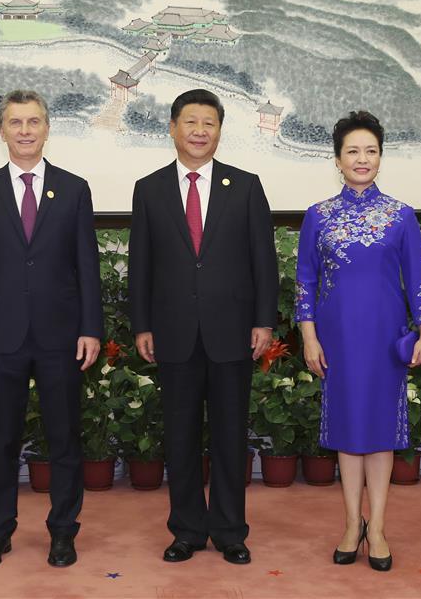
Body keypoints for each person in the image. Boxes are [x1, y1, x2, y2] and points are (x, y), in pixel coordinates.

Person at [128, 88, 278, 565]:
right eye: (190, 122)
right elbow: (141, 265)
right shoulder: (149, 189)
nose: (199, 131)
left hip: (232, 331)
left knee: (231, 437)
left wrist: (263, 321)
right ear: (172, 128)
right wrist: (142, 325)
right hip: (173, 332)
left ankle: (231, 530)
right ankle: (188, 529)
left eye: (208, 123)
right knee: (181, 435)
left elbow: (264, 263)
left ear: (219, 131)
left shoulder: (246, 186)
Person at [0, 89, 103, 569]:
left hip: (61, 335)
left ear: (46, 128)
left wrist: (90, 328)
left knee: (64, 438)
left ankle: (63, 531)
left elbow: (87, 265)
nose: (24, 130)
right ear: (1, 130)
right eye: (15, 122)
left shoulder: (74, 188)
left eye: (33, 121)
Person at [294, 110, 421, 572]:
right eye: (352, 151)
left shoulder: (401, 215)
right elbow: (305, 283)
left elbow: (417, 278)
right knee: (347, 432)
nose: (362, 159)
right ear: (337, 159)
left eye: (370, 151)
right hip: (336, 340)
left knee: (380, 435)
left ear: (380, 157)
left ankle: (377, 528)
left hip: (384, 338)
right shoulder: (318, 216)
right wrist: (308, 337)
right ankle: (351, 524)